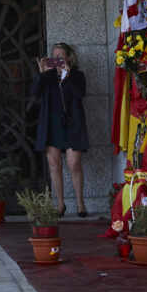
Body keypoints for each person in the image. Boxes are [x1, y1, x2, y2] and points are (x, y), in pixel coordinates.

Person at [34, 42, 90, 217]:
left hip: (73, 124)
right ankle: (60, 205)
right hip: (52, 125)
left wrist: (67, 75)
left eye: (60, 56)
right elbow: (35, 92)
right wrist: (42, 74)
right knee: (54, 164)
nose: (57, 59)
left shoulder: (77, 75)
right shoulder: (48, 76)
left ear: (68, 58)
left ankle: (81, 204)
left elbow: (80, 94)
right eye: (54, 56)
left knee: (74, 163)